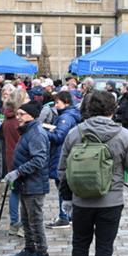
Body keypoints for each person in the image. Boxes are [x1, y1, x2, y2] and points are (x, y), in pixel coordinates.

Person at [59, 91, 128, 256]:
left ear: (88, 108)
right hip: (111, 200)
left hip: (81, 200)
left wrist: (67, 197)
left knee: (80, 244)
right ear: (113, 109)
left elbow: (62, 170)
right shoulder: (123, 135)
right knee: (104, 247)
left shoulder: (75, 132)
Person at [5, 102, 51, 256]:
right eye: (17, 114)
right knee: (26, 220)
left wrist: (18, 172)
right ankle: (30, 249)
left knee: (35, 220)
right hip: (25, 183)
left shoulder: (36, 133)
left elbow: (39, 160)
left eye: (21, 114)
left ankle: (42, 254)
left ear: (31, 115)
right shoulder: (27, 131)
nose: (18, 117)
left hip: (34, 184)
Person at [46, 91, 81, 229]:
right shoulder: (71, 114)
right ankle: (69, 215)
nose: (55, 105)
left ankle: (64, 216)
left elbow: (59, 136)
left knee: (62, 187)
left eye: (57, 102)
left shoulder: (65, 117)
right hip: (66, 154)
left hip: (61, 155)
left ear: (66, 102)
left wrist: (45, 132)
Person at [0, 97, 23, 236]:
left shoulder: (7, 120)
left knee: (14, 191)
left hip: (10, 157)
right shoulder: (16, 122)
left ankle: (14, 223)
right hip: (19, 158)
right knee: (23, 193)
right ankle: (22, 225)